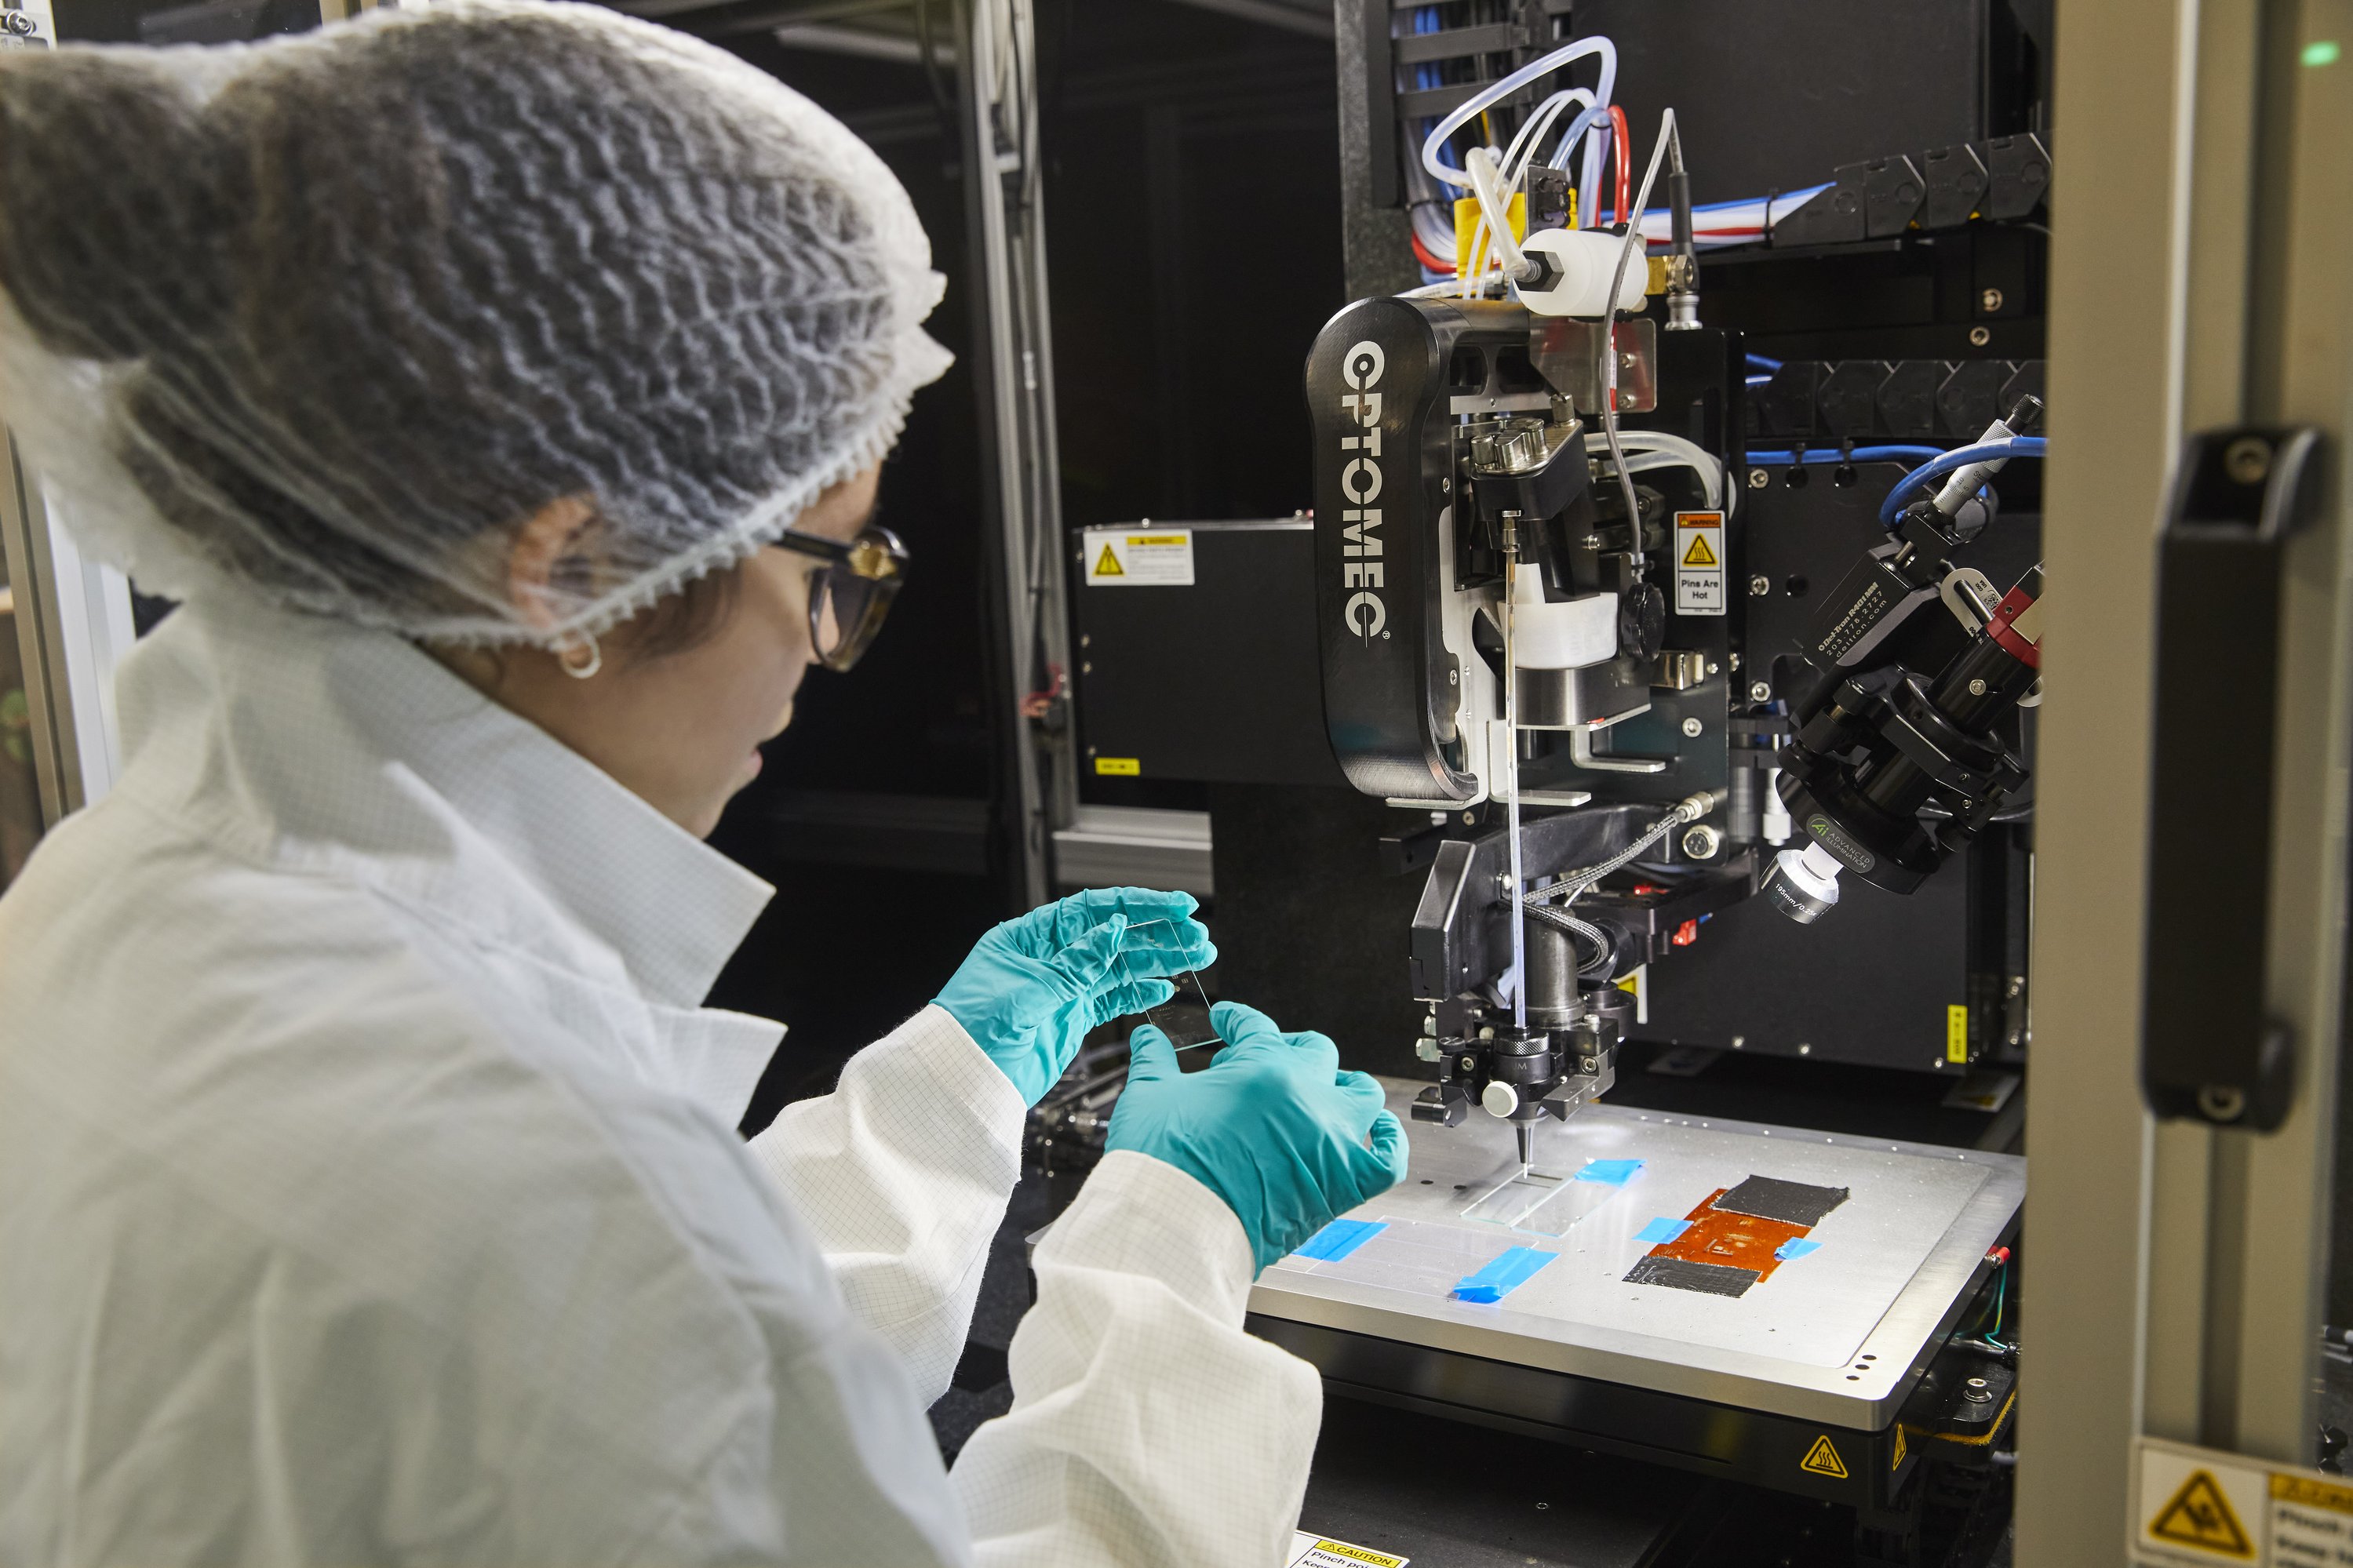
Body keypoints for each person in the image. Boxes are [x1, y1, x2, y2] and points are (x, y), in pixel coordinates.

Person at [0, 5, 1408, 1563]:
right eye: (830, 569)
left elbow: (643, 1395)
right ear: (575, 566)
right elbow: (648, 1334)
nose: (824, 650)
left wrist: (951, 1084)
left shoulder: (109, 903)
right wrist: (1167, 1249)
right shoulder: (556, 1184)